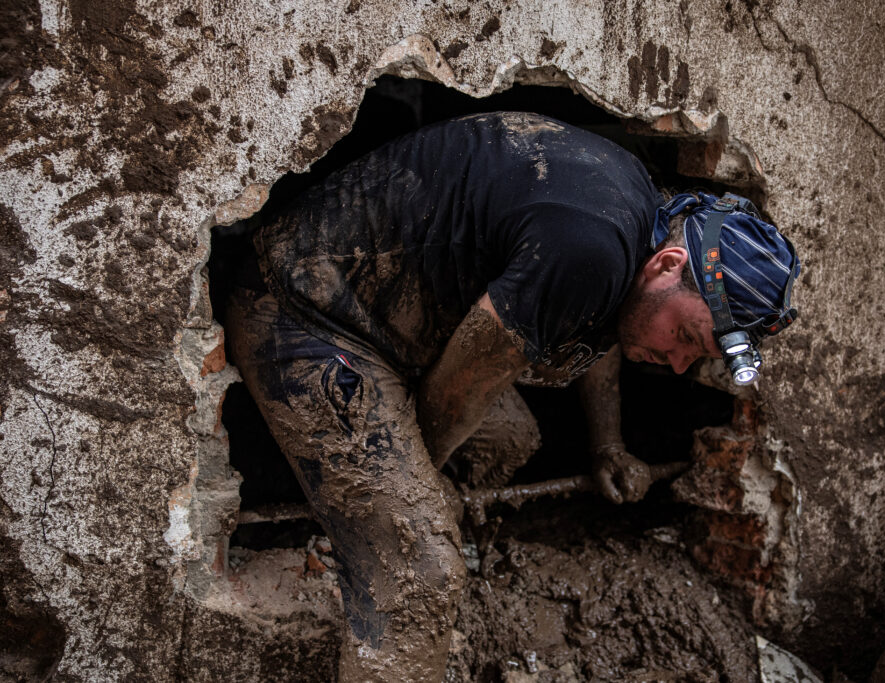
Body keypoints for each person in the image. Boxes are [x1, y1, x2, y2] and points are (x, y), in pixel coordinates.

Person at [223, 111, 800, 681]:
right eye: (686, 338)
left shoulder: (644, 231)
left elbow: (593, 332)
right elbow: (457, 389)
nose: (678, 365)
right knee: (421, 570)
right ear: (670, 265)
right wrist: (422, 498)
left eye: (695, 357)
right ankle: (364, 564)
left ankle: (413, 557)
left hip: (400, 332)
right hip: (305, 313)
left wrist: (607, 445)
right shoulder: (590, 247)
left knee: (510, 438)